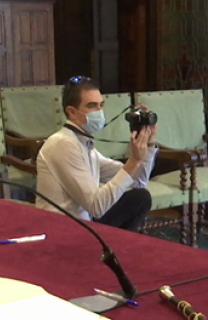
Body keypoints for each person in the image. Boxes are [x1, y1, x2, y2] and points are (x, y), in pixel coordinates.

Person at [35, 76, 157, 231]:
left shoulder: (84, 144)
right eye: (92, 106)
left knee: (140, 198)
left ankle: (117, 250)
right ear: (72, 112)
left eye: (101, 105)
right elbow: (96, 207)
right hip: (63, 228)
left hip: (85, 221)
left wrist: (150, 143)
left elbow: (139, 181)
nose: (99, 111)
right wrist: (133, 162)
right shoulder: (63, 144)